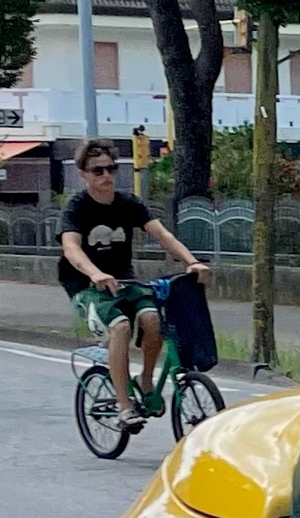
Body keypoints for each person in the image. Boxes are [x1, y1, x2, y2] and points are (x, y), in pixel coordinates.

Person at [58, 141, 211, 433]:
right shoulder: (77, 208)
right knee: (121, 327)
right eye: (97, 170)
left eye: (111, 168)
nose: (106, 175)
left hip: (126, 280)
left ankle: (145, 380)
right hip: (86, 287)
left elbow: (162, 235)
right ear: (83, 175)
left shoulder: (128, 204)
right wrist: (95, 273)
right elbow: (71, 248)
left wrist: (192, 262)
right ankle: (124, 406)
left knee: (153, 320)